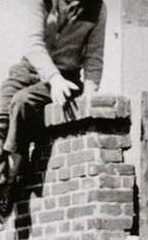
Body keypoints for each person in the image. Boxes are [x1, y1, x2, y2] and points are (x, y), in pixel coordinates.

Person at [0, 0, 106, 224]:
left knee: (22, 104)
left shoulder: (97, 7)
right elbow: (33, 44)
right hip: (30, 70)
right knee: (1, 113)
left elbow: (94, 57)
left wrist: (89, 97)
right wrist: (53, 78)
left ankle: (9, 181)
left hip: (65, 79)